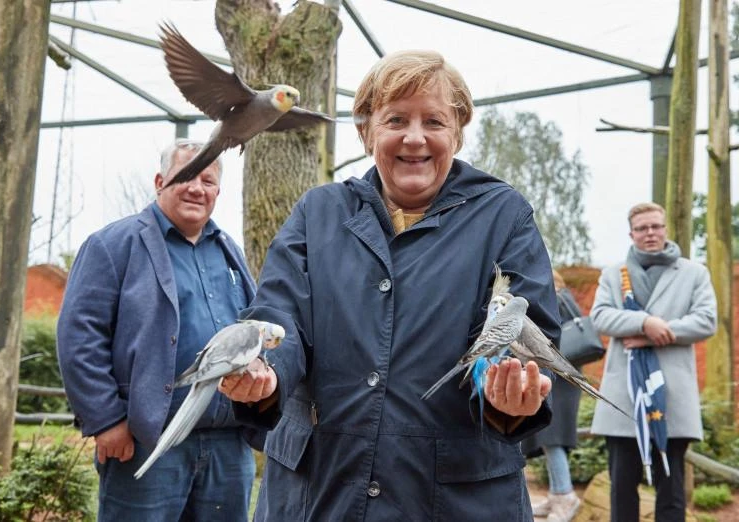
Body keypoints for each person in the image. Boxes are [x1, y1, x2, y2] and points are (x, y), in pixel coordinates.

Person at [218, 50, 560, 521]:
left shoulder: (503, 216)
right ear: (366, 132)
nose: (414, 137)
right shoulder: (319, 213)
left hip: (453, 501)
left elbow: (522, 326)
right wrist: (264, 368)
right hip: (322, 492)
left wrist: (506, 389)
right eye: (395, 119)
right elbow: (279, 313)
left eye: (434, 121)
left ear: (457, 133)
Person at [56, 140, 259, 521]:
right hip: (146, 442)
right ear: (160, 181)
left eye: (208, 181)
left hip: (228, 444)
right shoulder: (112, 245)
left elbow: (250, 327)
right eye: (186, 176)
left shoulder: (228, 251)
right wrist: (106, 420)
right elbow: (79, 339)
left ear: (218, 192)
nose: (196, 188)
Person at [590, 202, 717, 522]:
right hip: (625, 399)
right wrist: (644, 322)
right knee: (621, 489)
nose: (650, 233)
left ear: (665, 229)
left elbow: (706, 321)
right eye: (642, 228)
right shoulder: (613, 274)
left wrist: (659, 333)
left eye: (656, 226)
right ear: (631, 234)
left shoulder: (694, 273)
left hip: (671, 399)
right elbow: (600, 316)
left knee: (671, 491)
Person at [523, 270, 584, 522]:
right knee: (550, 439)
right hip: (563, 379)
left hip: (561, 382)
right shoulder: (566, 299)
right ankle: (556, 494)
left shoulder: (557, 300)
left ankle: (565, 496)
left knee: (553, 438)